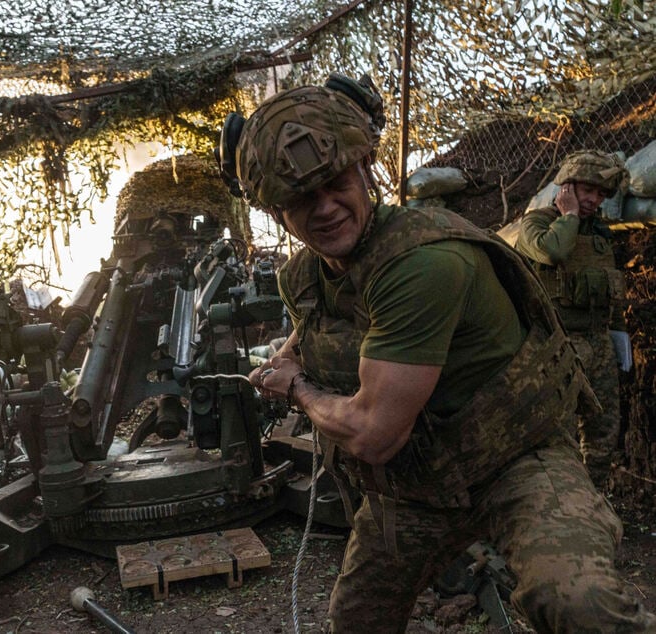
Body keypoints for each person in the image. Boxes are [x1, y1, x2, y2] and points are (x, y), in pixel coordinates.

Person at [216, 74, 655, 632]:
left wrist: (297, 389)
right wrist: (291, 357)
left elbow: (375, 434)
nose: (324, 208)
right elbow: (319, 329)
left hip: (514, 464)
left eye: (335, 184)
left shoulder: (423, 262)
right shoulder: (305, 276)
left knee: (577, 601)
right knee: (357, 621)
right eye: (301, 199)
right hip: (417, 487)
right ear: (278, 212)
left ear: (365, 170)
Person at [514, 150, 631, 484]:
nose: (594, 199)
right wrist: (569, 215)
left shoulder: (600, 236)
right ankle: (562, 502)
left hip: (598, 342)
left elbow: (611, 286)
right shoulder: (536, 223)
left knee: (605, 429)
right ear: (566, 188)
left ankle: (593, 499)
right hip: (558, 345)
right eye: (587, 190)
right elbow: (553, 252)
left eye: (601, 194)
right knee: (559, 431)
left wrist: (618, 334)